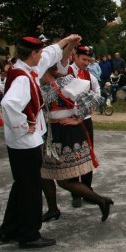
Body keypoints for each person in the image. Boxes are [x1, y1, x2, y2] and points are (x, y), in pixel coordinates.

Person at [0, 34, 80, 249]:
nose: (43, 56)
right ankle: (29, 234)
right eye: (39, 53)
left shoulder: (25, 70)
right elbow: (8, 105)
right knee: (31, 189)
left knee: (21, 186)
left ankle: (10, 229)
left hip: (22, 142)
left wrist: (66, 41)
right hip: (25, 142)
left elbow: (49, 54)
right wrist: (24, 126)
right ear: (32, 54)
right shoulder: (23, 77)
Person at [39, 65, 112, 222]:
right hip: (52, 132)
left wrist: (77, 119)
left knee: (61, 179)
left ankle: (100, 200)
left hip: (65, 132)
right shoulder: (42, 85)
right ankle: (53, 209)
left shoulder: (65, 82)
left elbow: (94, 100)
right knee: (46, 174)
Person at [58, 45, 101, 208]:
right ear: (75, 56)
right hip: (68, 120)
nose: (86, 63)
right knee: (73, 155)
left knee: (88, 154)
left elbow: (97, 95)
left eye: (89, 61)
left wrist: (87, 108)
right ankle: (76, 193)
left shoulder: (91, 76)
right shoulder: (65, 71)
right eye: (84, 59)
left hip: (84, 119)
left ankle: (87, 190)